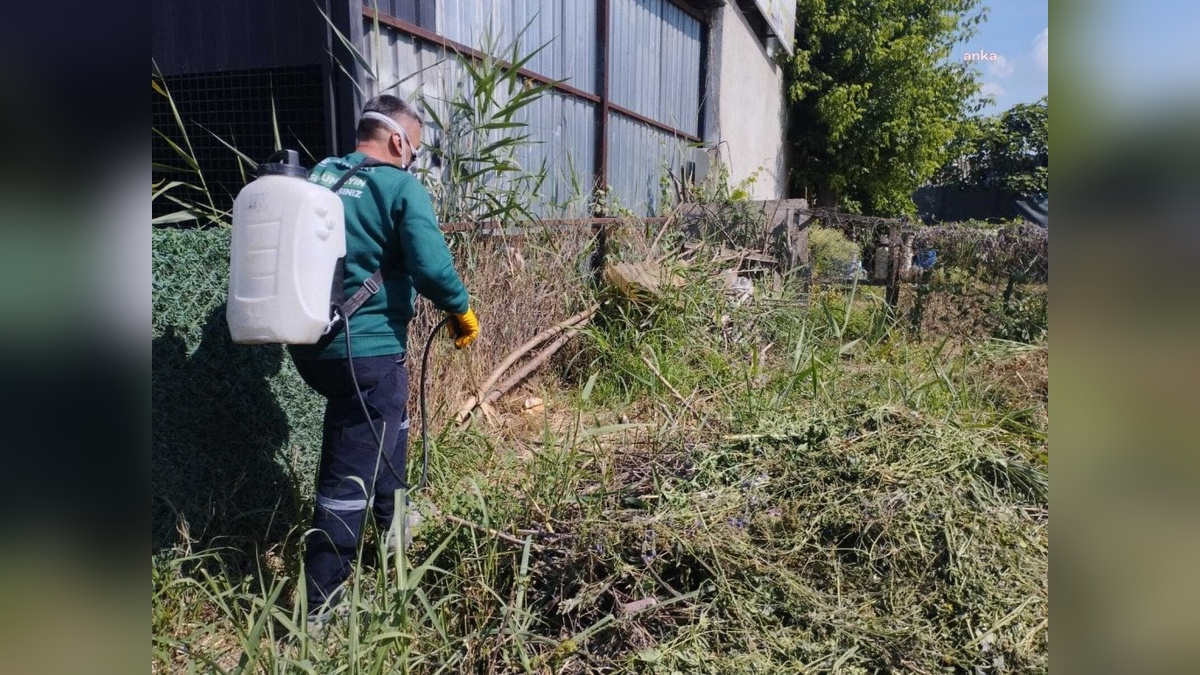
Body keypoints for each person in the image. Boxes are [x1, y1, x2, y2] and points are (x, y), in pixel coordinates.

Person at [287, 94, 480, 625]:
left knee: (390, 424)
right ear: (398, 141)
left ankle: (396, 530)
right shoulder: (398, 186)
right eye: (414, 148)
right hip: (367, 351)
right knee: (346, 481)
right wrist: (460, 309)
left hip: (313, 343)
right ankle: (321, 609)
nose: (412, 158)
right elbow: (432, 266)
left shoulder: (321, 175)